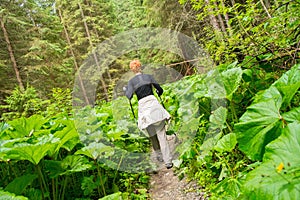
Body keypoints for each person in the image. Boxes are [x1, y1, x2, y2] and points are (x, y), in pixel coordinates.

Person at [124, 59, 173, 169]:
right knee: (162, 134)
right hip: (154, 104)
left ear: (132, 70)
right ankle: (168, 161)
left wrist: (126, 90)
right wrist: (157, 92)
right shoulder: (149, 77)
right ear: (140, 67)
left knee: (152, 134)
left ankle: (159, 155)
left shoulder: (131, 82)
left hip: (144, 108)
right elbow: (160, 90)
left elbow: (129, 96)